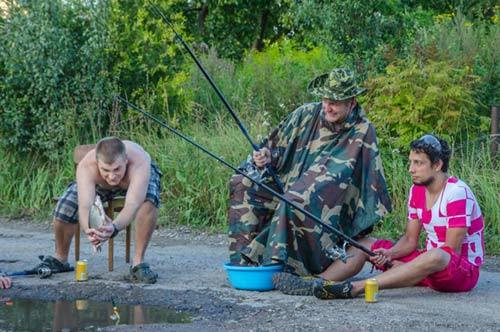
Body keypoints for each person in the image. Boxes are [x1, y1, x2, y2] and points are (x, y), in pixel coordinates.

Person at [228, 68, 392, 282]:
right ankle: (244, 262)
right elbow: (275, 150)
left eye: (334, 102)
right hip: (286, 184)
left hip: (327, 200)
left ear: (351, 102)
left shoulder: (362, 129)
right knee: (242, 182)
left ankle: (279, 267)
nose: (327, 107)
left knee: (296, 199)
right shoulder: (305, 114)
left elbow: (360, 178)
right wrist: (266, 156)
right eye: (325, 99)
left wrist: (305, 187)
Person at [308, 135, 484, 299]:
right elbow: (409, 240)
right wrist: (390, 254)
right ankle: (316, 283)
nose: (411, 169)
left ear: (437, 165)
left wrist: (409, 267)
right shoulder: (417, 190)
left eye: (418, 163)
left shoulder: (456, 192)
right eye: (410, 162)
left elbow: (451, 251)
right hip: (427, 265)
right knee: (364, 245)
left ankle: (357, 288)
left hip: (461, 271)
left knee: (436, 255)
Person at [33, 137, 162, 283]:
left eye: (117, 169)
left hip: (137, 182)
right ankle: (60, 259)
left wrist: (113, 228)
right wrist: (89, 229)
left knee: (148, 201)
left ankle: (138, 263)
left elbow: (133, 204)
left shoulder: (140, 161)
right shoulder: (86, 166)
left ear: (126, 160)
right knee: (66, 205)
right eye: (105, 170)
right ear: (97, 163)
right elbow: (85, 205)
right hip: (101, 186)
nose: (112, 176)